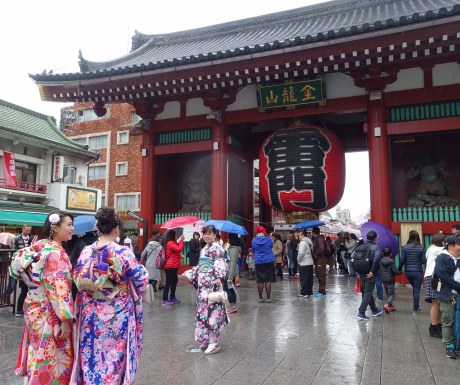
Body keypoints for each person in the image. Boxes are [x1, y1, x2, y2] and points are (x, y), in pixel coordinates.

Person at [72, 207, 149, 384]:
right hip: (116, 313)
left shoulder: (86, 251)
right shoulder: (122, 251)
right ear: (116, 229)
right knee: (113, 357)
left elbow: (79, 277)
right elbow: (142, 279)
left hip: (90, 312)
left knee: (92, 352)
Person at [9, 211, 75, 384]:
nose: (72, 228)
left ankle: (31, 379)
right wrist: (65, 319)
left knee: (36, 349)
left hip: (33, 306)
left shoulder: (38, 245)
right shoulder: (55, 253)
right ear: (54, 227)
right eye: (68, 224)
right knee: (51, 355)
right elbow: (58, 290)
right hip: (48, 310)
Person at [186, 224, 229, 355]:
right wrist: (192, 273)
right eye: (205, 233)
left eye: (209, 233)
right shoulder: (204, 249)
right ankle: (205, 339)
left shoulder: (217, 248)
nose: (206, 236)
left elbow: (221, 263)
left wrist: (218, 277)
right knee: (203, 312)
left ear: (215, 235)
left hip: (212, 284)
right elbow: (200, 265)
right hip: (203, 285)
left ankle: (214, 342)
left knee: (213, 313)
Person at [433, 234, 460, 359]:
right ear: (450, 246)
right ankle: (449, 345)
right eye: (459, 244)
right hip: (447, 294)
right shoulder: (442, 258)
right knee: (448, 320)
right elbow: (443, 276)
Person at [356, 230, 384, 320]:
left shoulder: (360, 246)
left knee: (368, 291)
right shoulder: (376, 248)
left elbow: (355, 258)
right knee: (368, 293)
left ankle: (374, 310)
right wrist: (372, 271)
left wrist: (357, 272)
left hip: (361, 272)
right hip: (369, 273)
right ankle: (361, 312)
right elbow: (377, 259)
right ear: (375, 238)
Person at [7, 224, 34, 315]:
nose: (27, 232)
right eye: (26, 230)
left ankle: (20, 308)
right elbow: (12, 251)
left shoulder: (31, 239)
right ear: (22, 229)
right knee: (12, 284)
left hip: (26, 266)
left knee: (24, 288)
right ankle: (5, 298)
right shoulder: (16, 238)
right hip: (17, 264)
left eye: (29, 230)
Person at [399, 230, 426, 315]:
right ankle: (415, 309)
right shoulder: (421, 248)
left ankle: (416, 307)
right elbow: (423, 261)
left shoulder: (405, 247)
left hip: (408, 272)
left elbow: (402, 259)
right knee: (417, 290)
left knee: (415, 288)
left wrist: (399, 268)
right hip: (418, 271)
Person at [424, 234, 445, 338]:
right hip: (434, 278)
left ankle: (437, 325)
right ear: (441, 242)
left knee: (436, 303)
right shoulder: (437, 249)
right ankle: (434, 327)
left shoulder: (431, 248)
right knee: (436, 303)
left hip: (431, 277)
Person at [252, 226, 275, 303]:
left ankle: (260, 298)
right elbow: (272, 246)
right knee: (268, 280)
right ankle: (268, 298)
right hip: (269, 261)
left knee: (260, 280)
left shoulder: (254, 240)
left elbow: (254, 248)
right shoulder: (269, 239)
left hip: (258, 261)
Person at [162, 229, 184, 306]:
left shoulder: (171, 243)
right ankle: (165, 299)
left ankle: (172, 297)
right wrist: (181, 241)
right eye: (175, 235)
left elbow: (177, 251)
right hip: (170, 266)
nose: (176, 236)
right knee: (168, 282)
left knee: (174, 281)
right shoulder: (170, 243)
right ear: (172, 236)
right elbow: (179, 249)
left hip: (173, 265)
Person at [379, 247, 401, 313]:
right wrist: (400, 272)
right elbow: (395, 271)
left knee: (387, 293)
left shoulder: (380, 261)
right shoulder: (391, 261)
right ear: (391, 254)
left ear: (382, 253)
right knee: (391, 294)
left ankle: (391, 307)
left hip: (383, 279)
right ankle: (387, 304)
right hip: (390, 280)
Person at [297, 230, 314, 298]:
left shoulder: (303, 243)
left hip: (304, 263)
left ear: (303, 235)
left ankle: (304, 293)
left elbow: (301, 253)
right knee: (309, 278)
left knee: (304, 278)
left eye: (299, 235)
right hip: (309, 262)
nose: (299, 236)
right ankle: (309, 292)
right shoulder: (309, 242)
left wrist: (298, 260)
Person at [311, 227, 327, 297]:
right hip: (318, 260)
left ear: (313, 232)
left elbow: (321, 248)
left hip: (320, 259)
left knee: (321, 275)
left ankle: (322, 291)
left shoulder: (319, 238)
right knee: (319, 274)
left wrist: (315, 254)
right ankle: (320, 290)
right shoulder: (316, 239)